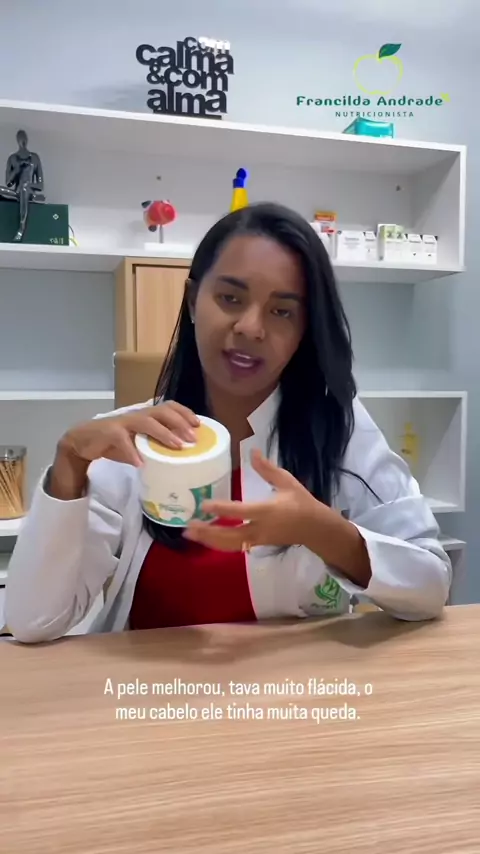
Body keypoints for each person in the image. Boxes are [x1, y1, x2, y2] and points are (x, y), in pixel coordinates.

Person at [5, 203, 451, 643]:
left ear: (304, 331)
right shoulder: (129, 441)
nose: (251, 327)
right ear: (192, 301)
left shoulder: (338, 429)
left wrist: (320, 530)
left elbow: (431, 585)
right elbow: (32, 621)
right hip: (148, 684)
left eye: (282, 311)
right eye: (230, 298)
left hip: (295, 684)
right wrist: (70, 462)